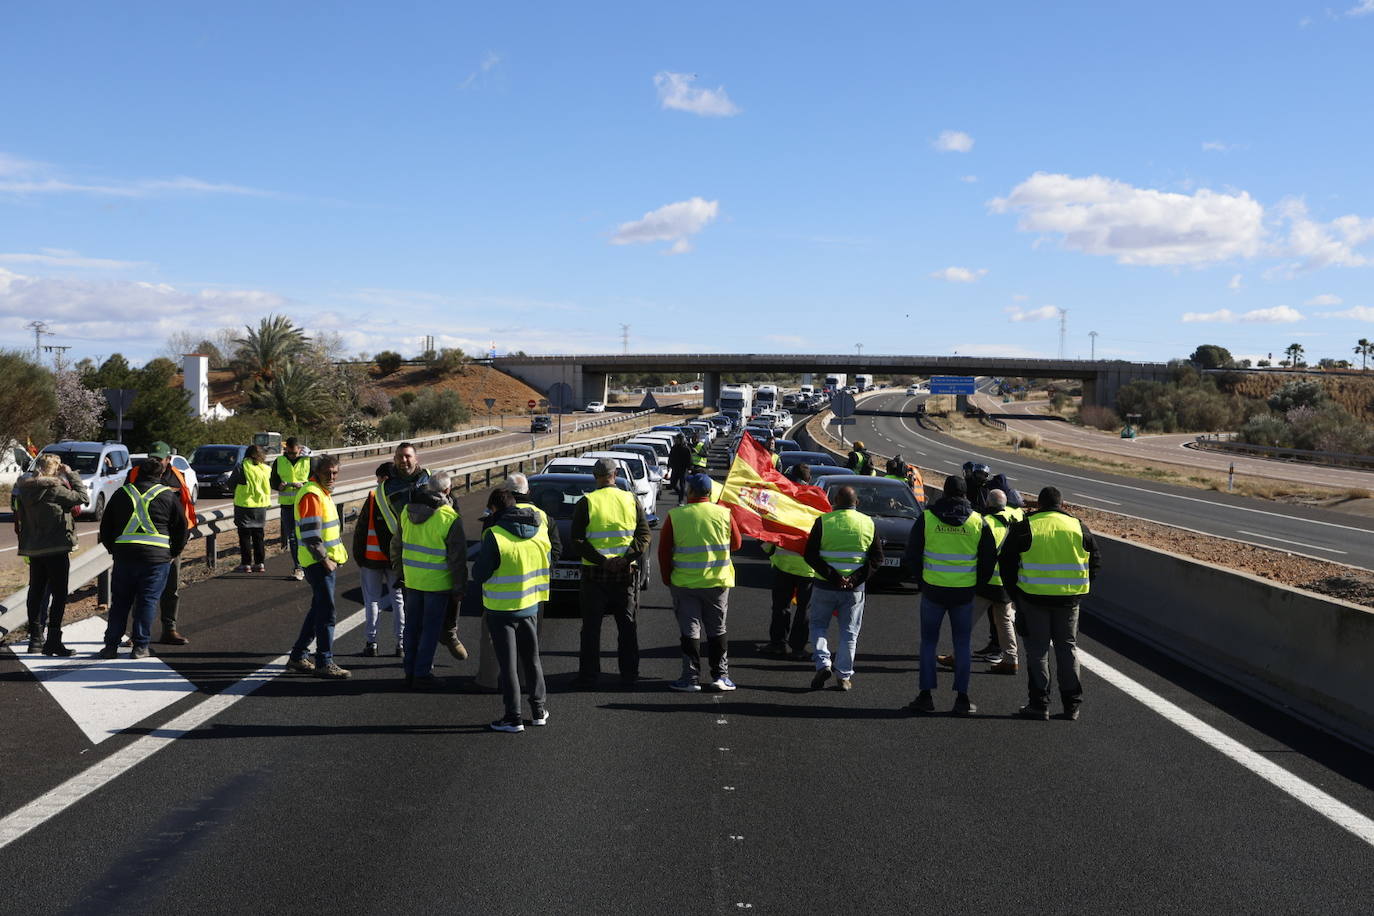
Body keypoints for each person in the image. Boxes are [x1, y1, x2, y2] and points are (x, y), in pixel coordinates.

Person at [903, 475, 997, 716]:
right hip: (964, 593)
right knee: (962, 644)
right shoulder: (978, 521)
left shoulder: (928, 518)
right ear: (966, 494)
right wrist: (977, 585)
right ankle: (962, 699)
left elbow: (912, 553)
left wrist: (921, 580)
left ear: (943, 492)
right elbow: (988, 560)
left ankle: (925, 696)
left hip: (933, 589)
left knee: (928, 643)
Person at [1003, 486, 1100, 721]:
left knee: (1038, 652)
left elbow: (1006, 563)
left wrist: (1016, 596)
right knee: (1067, 649)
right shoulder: (1078, 526)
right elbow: (1095, 561)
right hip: (1068, 601)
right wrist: (1079, 589)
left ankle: (1039, 704)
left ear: (1040, 504)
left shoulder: (1026, 526)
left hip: (1033, 599)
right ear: (1062, 504)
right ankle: (1072, 706)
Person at [379, 442, 466, 661]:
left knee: (447, 604)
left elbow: (450, 507)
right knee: (418, 622)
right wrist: (398, 567)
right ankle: (420, 667)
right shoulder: (385, 488)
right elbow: (392, 526)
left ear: (416, 458)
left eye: (408, 456)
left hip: (435, 549)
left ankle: (448, 635)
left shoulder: (429, 478)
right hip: (411, 557)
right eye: (399, 456)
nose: (404, 460)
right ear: (394, 459)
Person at [473, 487, 550, 732]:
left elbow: (480, 573)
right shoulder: (539, 529)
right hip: (530, 604)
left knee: (508, 665)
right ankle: (538, 710)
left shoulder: (495, 535)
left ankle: (513, 716)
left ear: (495, 509)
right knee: (532, 659)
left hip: (501, 609)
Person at [475, 473, 560, 691]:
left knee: (493, 642)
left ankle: (490, 680)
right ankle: (526, 685)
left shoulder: (494, 518)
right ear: (528, 492)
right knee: (530, 645)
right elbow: (556, 549)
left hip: (499, 594)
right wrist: (542, 570)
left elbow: (486, 556)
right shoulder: (543, 517)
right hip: (533, 593)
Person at [570, 457, 651, 688]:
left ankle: (588, 675)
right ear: (615, 474)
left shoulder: (587, 502)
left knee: (591, 628)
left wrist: (602, 561)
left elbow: (577, 539)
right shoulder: (630, 499)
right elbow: (644, 535)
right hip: (625, 574)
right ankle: (629, 674)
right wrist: (625, 559)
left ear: (595, 476)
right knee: (627, 625)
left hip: (595, 575)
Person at [97, 457, 188, 659]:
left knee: (120, 602)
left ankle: (111, 646)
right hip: (156, 559)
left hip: (125, 556)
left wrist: (114, 549)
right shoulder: (168, 496)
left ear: (137, 473)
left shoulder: (122, 493)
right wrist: (173, 552)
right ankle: (140, 647)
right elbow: (181, 529)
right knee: (147, 601)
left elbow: (105, 528)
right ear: (161, 475)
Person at [658, 473, 743, 692]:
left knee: (690, 630)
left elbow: (664, 551)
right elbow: (737, 544)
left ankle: (690, 678)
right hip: (717, 583)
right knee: (717, 629)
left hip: (685, 584)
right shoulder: (724, 513)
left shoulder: (676, 515)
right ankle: (720, 676)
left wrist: (667, 578)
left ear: (692, 492)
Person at [803, 485, 883, 691]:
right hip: (854, 590)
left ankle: (823, 663)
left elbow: (810, 555)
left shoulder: (823, 522)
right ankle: (844, 677)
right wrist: (854, 579)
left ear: (836, 501)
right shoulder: (868, 523)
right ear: (856, 502)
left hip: (825, 586)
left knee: (818, 626)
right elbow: (877, 558)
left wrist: (834, 577)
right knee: (849, 633)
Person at [391, 473, 468, 689]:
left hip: (412, 580)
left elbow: (396, 544)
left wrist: (400, 572)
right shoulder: (449, 517)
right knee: (430, 630)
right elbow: (457, 557)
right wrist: (460, 586)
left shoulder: (406, 510)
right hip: (437, 582)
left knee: (412, 627)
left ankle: (410, 670)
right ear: (446, 491)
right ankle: (422, 673)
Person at [14, 454, 88, 655]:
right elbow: (83, 498)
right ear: (55, 470)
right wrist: (71, 475)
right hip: (56, 547)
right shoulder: (55, 488)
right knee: (59, 594)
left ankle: (35, 639)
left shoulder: (25, 489)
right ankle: (53, 640)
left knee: (36, 592)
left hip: (34, 548)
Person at [285, 456, 351, 679]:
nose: (332, 477)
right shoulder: (312, 494)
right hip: (318, 563)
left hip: (321, 562)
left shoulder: (321, 492)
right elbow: (311, 534)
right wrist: (325, 560)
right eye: (328, 473)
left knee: (318, 611)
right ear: (317, 472)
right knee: (326, 613)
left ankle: (298, 656)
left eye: (335, 473)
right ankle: (324, 661)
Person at [125, 441, 196, 646]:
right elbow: (125, 502)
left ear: (168, 459)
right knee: (140, 590)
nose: (156, 461)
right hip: (140, 542)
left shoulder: (177, 476)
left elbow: (184, 510)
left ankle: (169, 630)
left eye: (160, 458)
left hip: (169, 543)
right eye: (153, 457)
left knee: (170, 589)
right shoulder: (134, 474)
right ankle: (137, 633)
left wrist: (179, 544)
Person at [761, 466, 815, 659]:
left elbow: (772, 530)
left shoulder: (784, 500)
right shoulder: (816, 500)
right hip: (808, 567)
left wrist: (767, 549)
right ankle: (799, 648)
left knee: (781, 606)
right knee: (804, 609)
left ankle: (778, 643)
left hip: (784, 563)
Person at [352, 461, 398, 657]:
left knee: (372, 600)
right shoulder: (401, 496)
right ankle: (402, 644)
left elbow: (362, 528)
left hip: (371, 558)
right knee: (399, 600)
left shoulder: (373, 496)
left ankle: (372, 643)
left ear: (383, 478)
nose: (377, 482)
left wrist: (358, 555)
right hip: (395, 559)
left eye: (378, 478)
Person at [271, 437, 312, 580]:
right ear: (285, 450)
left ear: (299, 450)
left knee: (307, 536)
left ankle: (311, 564)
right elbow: (273, 480)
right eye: (289, 453)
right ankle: (298, 567)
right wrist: (279, 486)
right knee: (293, 538)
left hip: (305, 504)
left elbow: (316, 480)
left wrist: (304, 484)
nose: (292, 456)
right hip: (287, 505)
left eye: (294, 453)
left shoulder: (308, 461)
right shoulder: (279, 461)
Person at [229, 445, 271, 573]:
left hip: (244, 505)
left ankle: (246, 564)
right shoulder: (266, 468)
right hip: (260, 505)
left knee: (245, 536)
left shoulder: (242, 467)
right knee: (259, 536)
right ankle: (260, 563)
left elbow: (230, 484)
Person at [667, 434, 692, 506]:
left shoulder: (686, 448)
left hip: (683, 469)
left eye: (677, 439)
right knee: (673, 484)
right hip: (675, 468)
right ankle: (681, 494)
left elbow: (689, 459)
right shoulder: (674, 448)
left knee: (682, 485)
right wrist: (669, 466)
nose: (676, 440)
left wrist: (690, 468)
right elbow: (670, 457)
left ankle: (681, 500)